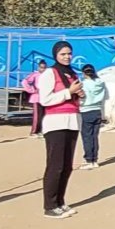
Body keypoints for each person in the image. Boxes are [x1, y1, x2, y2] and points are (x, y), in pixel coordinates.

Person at [37, 41, 84, 219]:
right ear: (56, 55)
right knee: (55, 166)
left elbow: (75, 98)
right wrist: (67, 92)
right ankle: (50, 205)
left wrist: (79, 94)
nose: (67, 57)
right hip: (55, 122)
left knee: (67, 166)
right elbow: (45, 100)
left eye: (69, 53)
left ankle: (60, 202)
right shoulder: (50, 73)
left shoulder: (72, 73)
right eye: (63, 54)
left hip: (73, 121)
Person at [79, 64, 108, 169]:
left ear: (84, 73)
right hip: (97, 110)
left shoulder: (83, 84)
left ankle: (89, 159)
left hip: (86, 110)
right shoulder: (100, 83)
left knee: (87, 136)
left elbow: (81, 97)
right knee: (94, 137)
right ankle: (95, 159)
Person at [22, 60, 46, 135]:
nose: (43, 69)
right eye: (41, 67)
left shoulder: (47, 75)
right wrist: (32, 90)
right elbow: (24, 82)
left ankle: (41, 130)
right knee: (37, 116)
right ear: (38, 67)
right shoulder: (35, 75)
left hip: (45, 98)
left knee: (44, 115)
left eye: (44, 67)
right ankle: (34, 131)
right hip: (37, 98)